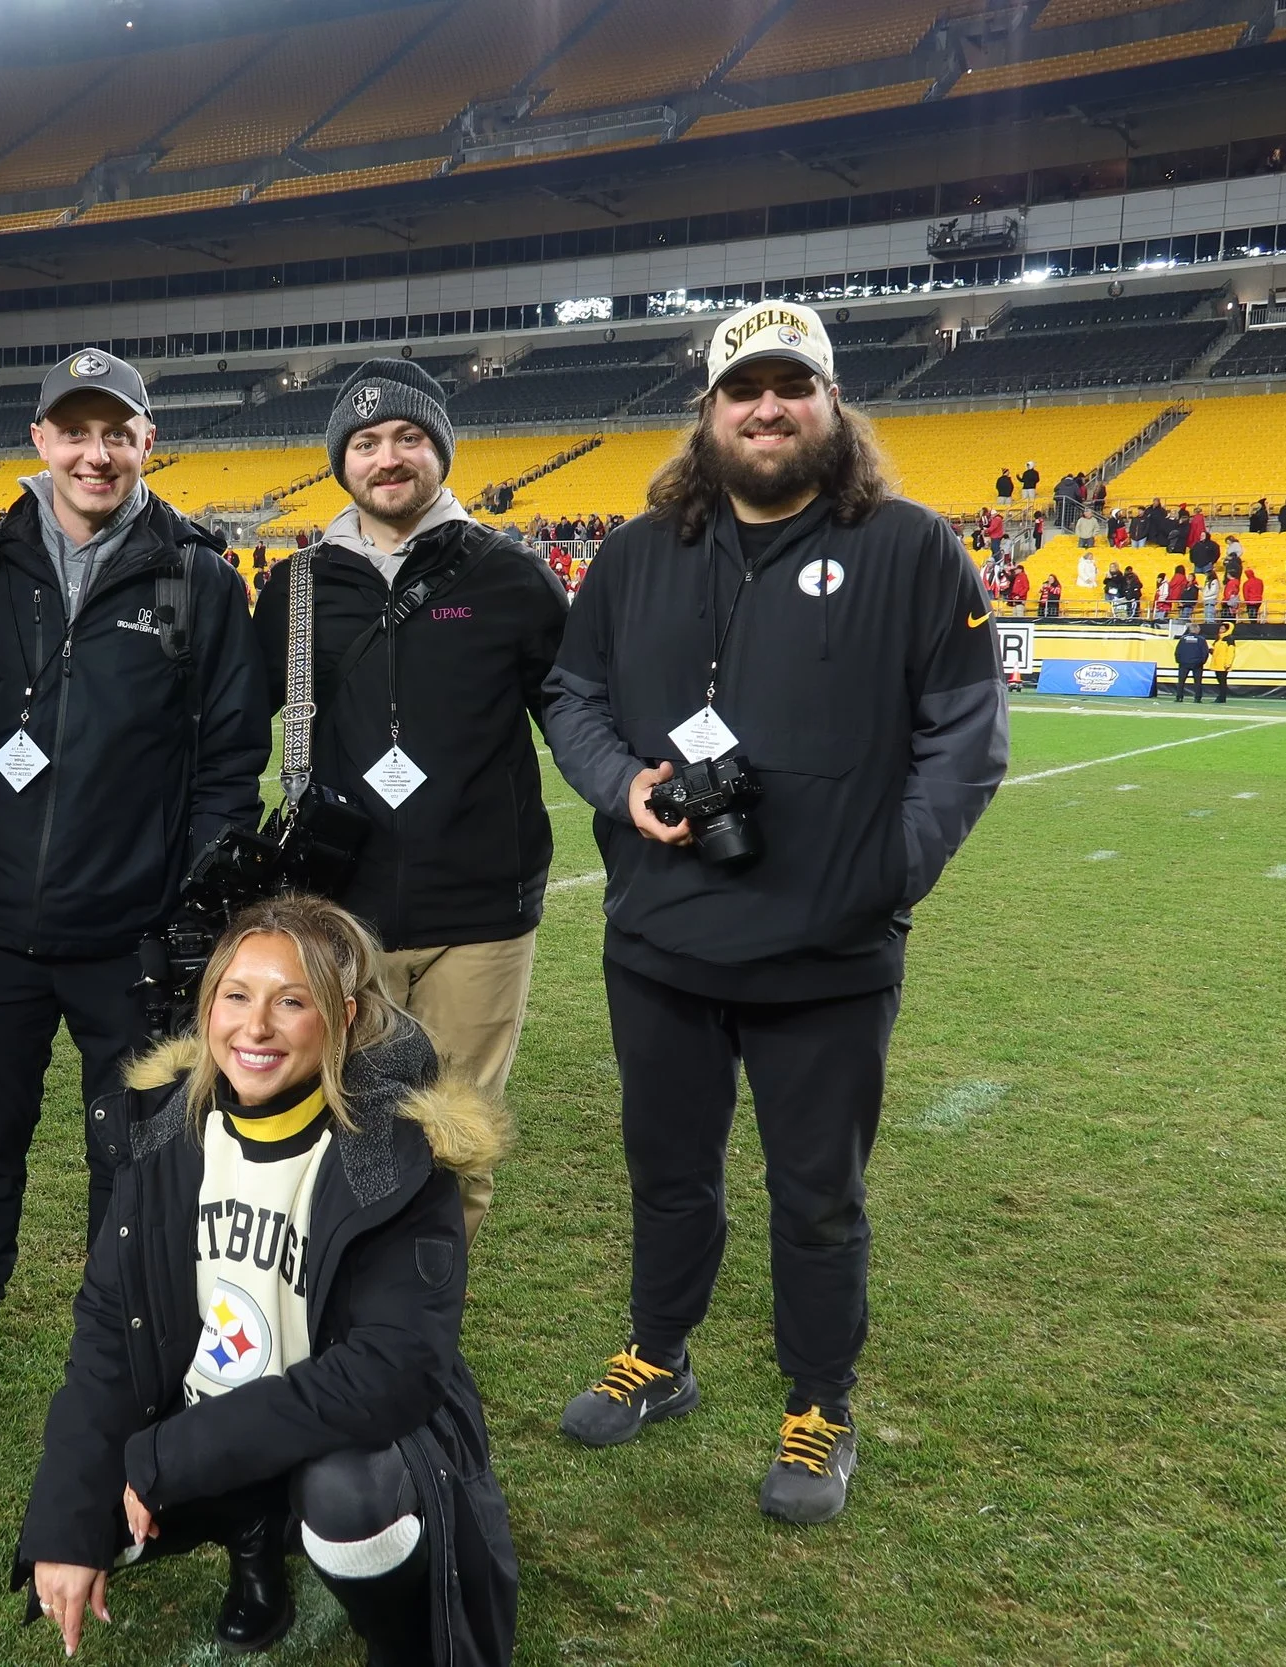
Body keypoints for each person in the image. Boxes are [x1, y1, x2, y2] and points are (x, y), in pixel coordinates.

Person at [539, 300, 1007, 1525]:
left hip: (828, 953)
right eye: (743, 386)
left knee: (816, 1194)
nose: (766, 406)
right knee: (668, 1173)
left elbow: (966, 738)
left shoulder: (911, 548)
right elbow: (571, 692)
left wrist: (881, 871)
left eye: (793, 385)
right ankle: (661, 1353)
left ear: (832, 406)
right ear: (706, 410)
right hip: (660, 941)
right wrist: (618, 782)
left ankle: (819, 1403)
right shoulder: (637, 553)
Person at [0, 350, 270, 1455]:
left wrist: (188, 901)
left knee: (129, 1153)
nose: (95, 452)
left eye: (116, 431)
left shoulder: (196, 576)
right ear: (39, 440)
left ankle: (117, 1354)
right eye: (74, 431)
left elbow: (230, 757)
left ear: (146, 442)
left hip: (127, 933)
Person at [15, 895, 515, 1665]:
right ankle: (252, 1540)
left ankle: (400, 1633)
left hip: (333, 1438)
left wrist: (170, 1455)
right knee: (87, 1504)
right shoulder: (165, 1132)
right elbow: (110, 1335)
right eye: (235, 995)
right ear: (206, 1004)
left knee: (350, 1497)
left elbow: (390, 1374)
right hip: (209, 1417)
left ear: (342, 1015)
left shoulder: (395, 1154)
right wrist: (65, 1525)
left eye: (292, 1001)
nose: (254, 1027)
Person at [250, 359, 568, 1242]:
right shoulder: (298, 585)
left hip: (481, 912)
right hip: (337, 912)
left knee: (454, 1141)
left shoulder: (509, 575)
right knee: (334, 1134)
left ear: (440, 452)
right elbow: (235, 727)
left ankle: (422, 1344)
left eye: (408, 437)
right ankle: (336, 1329)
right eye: (366, 442)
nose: (388, 457)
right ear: (340, 463)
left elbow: (579, 715)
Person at [1173, 622, 1209, 701]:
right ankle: (1197, 698)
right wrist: (1202, 662)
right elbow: (1205, 652)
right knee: (1197, 682)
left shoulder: (1183, 639)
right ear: (1197, 630)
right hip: (1197, 664)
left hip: (1184, 663)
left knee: (1181, 681)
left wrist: (1179, 661)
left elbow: (1178, 651)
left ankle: (1179, 697)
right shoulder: (1201, 639)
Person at [1207, 620, 1236, 702]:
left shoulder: (1229, 639)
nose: (1221, 630)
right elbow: (1216, 652)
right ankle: (1221, 697)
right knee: (1220, 682)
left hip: (1223, 665)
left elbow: (1231, 653)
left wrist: (1228, 664)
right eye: (1220, 629)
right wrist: (1211, 650)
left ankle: (1222, 697)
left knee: (1222, 682)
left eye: (1223, 629)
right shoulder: (1218, 639)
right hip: (1217, 664)